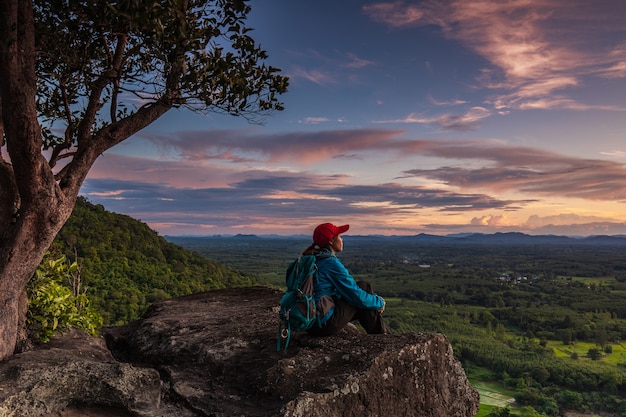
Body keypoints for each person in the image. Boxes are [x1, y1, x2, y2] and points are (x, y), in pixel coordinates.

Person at [302, 222, 389, 336]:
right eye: (339, 236)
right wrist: (379, 302)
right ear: (331, 241)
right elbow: (355, 295)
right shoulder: (330, 263)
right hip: (323, 323)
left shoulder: (312, 259)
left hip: (309, 322)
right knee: (364, 287)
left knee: (364, 297)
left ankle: (382, 336)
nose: (342, 239)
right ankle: (383, 338)